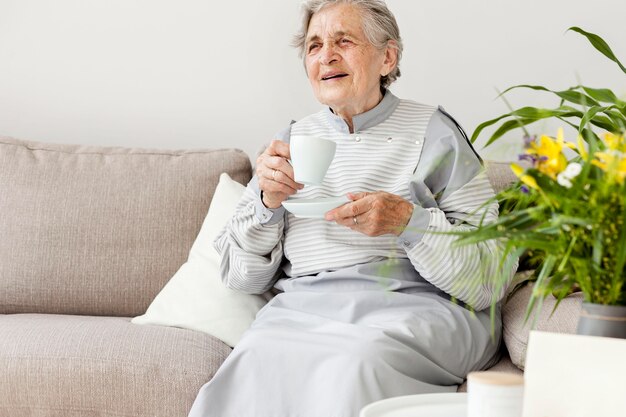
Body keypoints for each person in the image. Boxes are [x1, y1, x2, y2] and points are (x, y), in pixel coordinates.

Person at [188, 1, 516, 416]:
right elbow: (238, 277)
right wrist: (266, 203)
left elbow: (491, 275)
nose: (326, 56)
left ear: (388, 57)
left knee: (356, 363)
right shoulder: (291, 139)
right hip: (304, 308)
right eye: (314, 45)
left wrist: (408, 223)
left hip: (416, 307)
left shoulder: (435, 132)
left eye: (344, 41)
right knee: (255, 361)